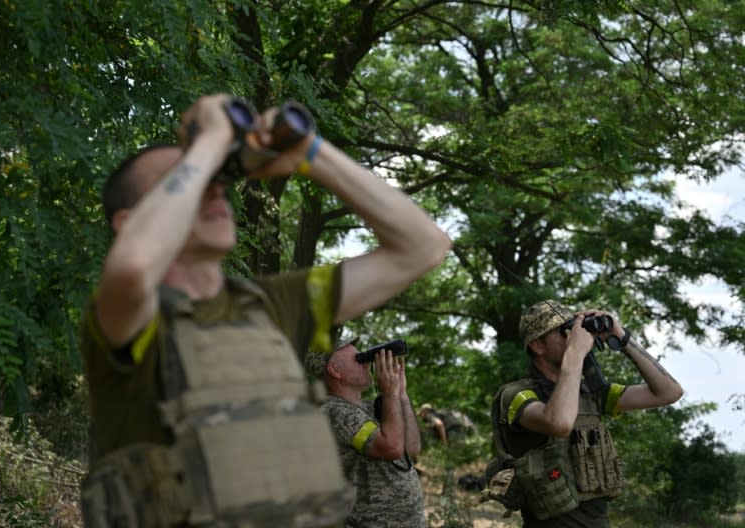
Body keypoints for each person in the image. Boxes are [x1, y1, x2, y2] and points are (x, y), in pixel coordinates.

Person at [78, 94, 452, 527]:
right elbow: (135, 265)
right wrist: (213, 138)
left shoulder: (268, 305)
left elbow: (424, 246)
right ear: (129, 223)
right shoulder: (128, 318)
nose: (213, 185)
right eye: (184, 179)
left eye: (216, 177)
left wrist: (309, 152)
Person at [490, 300, 683, 527]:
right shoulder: (516, 395)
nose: (574, 336)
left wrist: (621, 337)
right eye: (564, 332)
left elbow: (669, 392)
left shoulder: (592, 394)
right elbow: (559, 423)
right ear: (538, 346)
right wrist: (575, 355)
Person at [305, 337, 426, 528]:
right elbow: (391, 448)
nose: (368, 362)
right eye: (359, 359)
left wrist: (401, 395)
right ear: (335, 370)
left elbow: (411, 448)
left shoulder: (370, 408)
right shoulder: (333, 412)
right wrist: (389, 395)